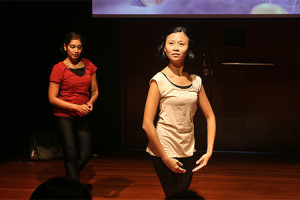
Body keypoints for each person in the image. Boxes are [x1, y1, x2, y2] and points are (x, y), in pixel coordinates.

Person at [142, 26, 216, 198]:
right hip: (163, 150)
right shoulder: (158, 80)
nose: (176, 47)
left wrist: (209, 151)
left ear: (188, 48)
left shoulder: (196, 81)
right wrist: (165, 158)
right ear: (164, 48)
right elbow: (147, 124)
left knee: (182, 196)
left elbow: (210, 116)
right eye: (171, 43)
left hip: (188, 150)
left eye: (181, 44)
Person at [48, 32, 99, 184]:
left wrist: (91, 102)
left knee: (86, 153)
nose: (76, 50)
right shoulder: (59, 68)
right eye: (72, 47)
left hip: (82, 114)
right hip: (64, 115)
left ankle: (68, 182)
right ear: (65, 47)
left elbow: (95, 91)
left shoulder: (89, 65)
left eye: (79, 47)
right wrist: (76, 107)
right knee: (70, 154)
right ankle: (74, 189)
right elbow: (52, 98)